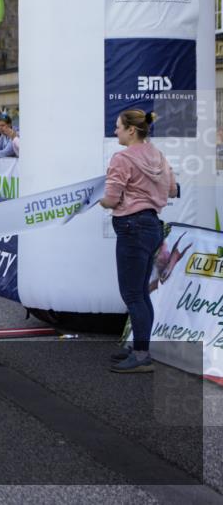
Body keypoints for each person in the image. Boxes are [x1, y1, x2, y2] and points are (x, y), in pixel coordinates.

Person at [99, 110, 178, 374]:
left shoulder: (121, 158)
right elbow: (172, 190)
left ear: (132, 130)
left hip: (132, 227)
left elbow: (110, 199)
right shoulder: (157, 154)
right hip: (153, 226)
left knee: (132, 294)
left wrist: (93, 198)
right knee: (141, 293)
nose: (115, 131)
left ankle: (142, 355)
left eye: (118, 127)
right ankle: (139, 347)